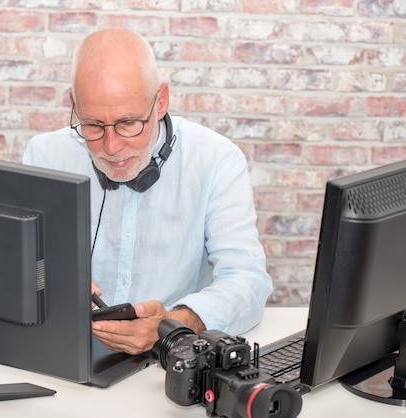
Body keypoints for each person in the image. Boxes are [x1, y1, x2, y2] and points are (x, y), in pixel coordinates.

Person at [23, 29, 272, 355]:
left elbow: (247, 281)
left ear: (161, 101)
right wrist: (52, 283)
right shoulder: (44, 156)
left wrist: (173, 324)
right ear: (74, 105)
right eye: (93, 125)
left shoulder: (216, 160)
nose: (111, 147)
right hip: (67, 350)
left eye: (128, 123)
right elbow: (20, 265)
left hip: (171, 358)